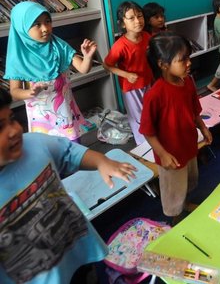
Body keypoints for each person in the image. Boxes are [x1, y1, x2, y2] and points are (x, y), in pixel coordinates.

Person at [0, 87, 136, 284]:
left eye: (12, 119)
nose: (13, 131)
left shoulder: (34, 144)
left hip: (78, 253)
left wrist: (101, 161)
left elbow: (69, 152)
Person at [139, 32, 212, 222]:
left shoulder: (187, 82)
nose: (189, 63)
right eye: (183, 59)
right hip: (170, 155)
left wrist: (203, 128)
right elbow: (148, 131)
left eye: (188, 57)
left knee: (188, 182)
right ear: (163, 65)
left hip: (188, 146)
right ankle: (176, 218)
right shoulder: (155, 95)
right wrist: (162, 154)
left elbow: (194, 110)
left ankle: (185, 203)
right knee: (173, 191)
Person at [4, 1, 96, 142]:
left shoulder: (58, 46)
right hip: (42, 122)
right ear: (22, 27)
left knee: (75, 152)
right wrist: (29, 93)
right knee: (50, 156)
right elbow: (14, 92)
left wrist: (88, 57)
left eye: (48, 22)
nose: (45, 28)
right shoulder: (17, 57)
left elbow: (83, 69)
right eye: (37, 24)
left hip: (66, 117)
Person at [103, 1, 153, 145]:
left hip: (147, 81)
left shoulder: (147, 36)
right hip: (131, 88)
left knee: (150, 112)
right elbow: (107, 65)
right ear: (123, 23)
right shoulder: (120, 46)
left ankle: (154, 140)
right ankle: (143, 146)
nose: (137, 20)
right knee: (138, 117)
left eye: (140, 16)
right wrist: (126, 75)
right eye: (131, 18)